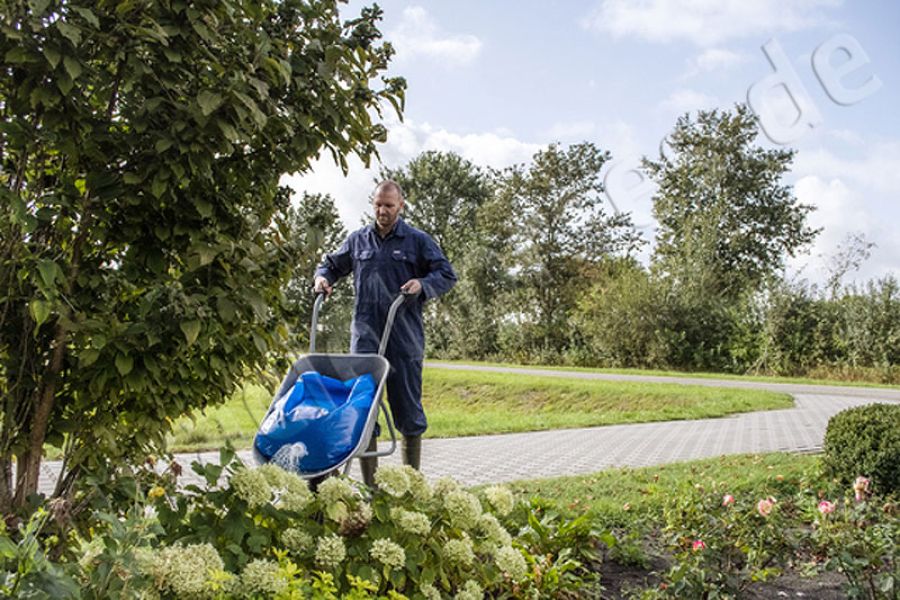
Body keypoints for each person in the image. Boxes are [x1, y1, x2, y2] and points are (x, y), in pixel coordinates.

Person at [313, 180, 456, 484]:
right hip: (365, 340)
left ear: (400, 206)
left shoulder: (417, 241)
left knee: (409, 412)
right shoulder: (358, 240)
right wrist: (322, 279)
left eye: (389, 206)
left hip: (404, 338)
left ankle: (410, 486)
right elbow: (330, 265)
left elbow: (446, 273)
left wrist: (423, 285)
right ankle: (371, 489)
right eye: (378, 204)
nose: (382, 211)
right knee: (364, 413)